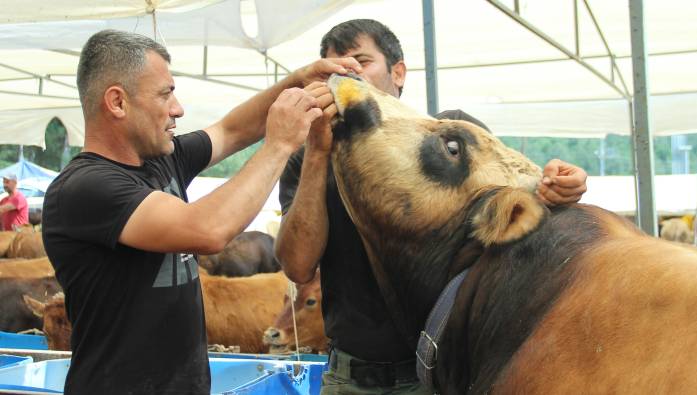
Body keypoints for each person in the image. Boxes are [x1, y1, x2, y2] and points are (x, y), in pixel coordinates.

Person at [275, 19, 588, 394]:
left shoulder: (451, 131)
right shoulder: (308, 158)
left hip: (446, 374)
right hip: (350, 378)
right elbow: (296, 265)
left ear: (398, 72)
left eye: (361, 61)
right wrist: (316, 152)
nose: (347, 74)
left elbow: (522, 193)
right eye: (333, 66)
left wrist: (558, 184)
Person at [41, 29, 360, 395]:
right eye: (166, 94)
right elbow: (208, 229)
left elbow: (233, 129)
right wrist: (281, 143)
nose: (178, 108)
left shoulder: (162, 160)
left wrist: (298, 81)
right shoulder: (85, 188)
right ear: (117, 102)